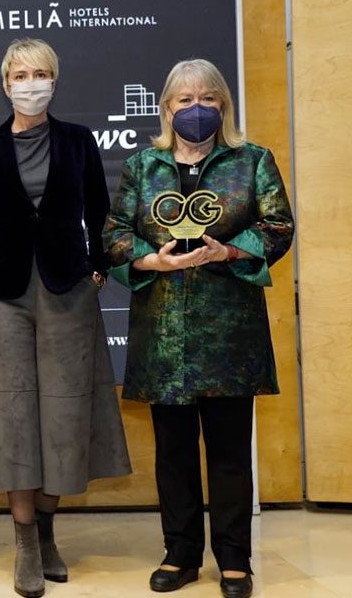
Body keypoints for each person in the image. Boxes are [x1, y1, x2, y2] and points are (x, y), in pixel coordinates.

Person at [103, 58, 294, 598]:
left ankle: (235, 561)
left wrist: (230, 249)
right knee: (174, 452)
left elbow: (279, 226)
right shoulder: (144, 166)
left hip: (230, 335)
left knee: (231, 451)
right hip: (163, 334)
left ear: (223, 106)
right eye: (183, 100)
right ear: (166, 109)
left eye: (207, 98)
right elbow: (114, 234)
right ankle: (180, 554)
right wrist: (151, 261)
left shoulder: (252, 160)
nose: (195, 109)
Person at [0, 38, 132, 598]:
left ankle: (50, 528)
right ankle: (26, 539)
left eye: (40, 73)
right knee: (11, 415)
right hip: (3, 293)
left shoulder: (79, 141)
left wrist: (98, 270)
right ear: (4, 83)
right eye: (20, 74)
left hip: (65, 291)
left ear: (54, 80)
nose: (31, 82)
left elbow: (101, 215)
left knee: (64, 415)